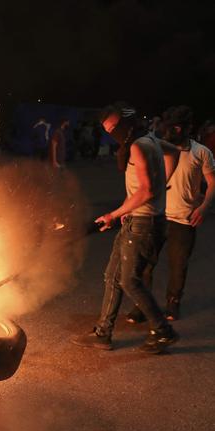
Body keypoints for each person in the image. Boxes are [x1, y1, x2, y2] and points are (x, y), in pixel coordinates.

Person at [71, 102, 179, 354]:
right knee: (113, 277)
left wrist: (114, 213)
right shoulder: (150, 139)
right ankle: (103, 333)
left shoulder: (139, 146)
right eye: (107, 131)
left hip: (144, 223)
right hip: (137, 220)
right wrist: (163, 181)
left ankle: (163, 331)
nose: (111, 134)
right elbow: (173, 152)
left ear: (126, 123)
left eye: (114, 129)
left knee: (129, 281)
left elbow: (146, 190)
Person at [126, 106, 215, 322]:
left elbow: (212, 182)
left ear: (187, 128)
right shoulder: (157, 148)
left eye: (177, 127)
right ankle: (142, 306)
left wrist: (203, 207)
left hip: (184, 219)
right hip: (155, 217)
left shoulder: (201, 152)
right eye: (169, 127)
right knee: (145, 266)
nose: (172, 131)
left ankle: (173, 304)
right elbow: (141, 180)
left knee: (178, 266)